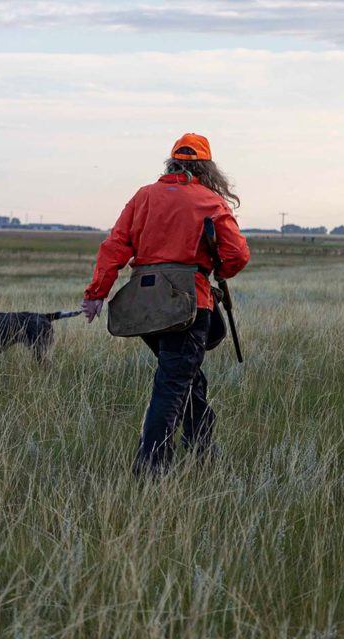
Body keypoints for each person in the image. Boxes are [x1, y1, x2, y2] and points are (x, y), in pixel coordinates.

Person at [82, 134, 250, 476]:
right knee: (173, 383)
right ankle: (151, 468)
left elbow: (115, 245)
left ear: (171, 163)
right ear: (206, 167)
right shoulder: (209, 201)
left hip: (145, 307)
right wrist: (216, 269)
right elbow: (237, 255)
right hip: (188, 306)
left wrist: (97, 292)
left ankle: (203, 450)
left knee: (186, 377)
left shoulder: (143, 196)